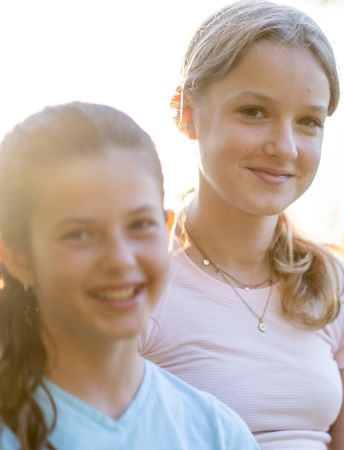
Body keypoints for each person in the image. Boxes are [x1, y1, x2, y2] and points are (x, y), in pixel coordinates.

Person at [139, 2, 344, 449]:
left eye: (309, 121)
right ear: (187, 113)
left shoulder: (339, 288)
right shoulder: (136, 279)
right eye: (254, 111)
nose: (285, 147)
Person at [0, 102, 258, 450]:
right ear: (16, 257)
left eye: (139, 225)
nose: (120, 260)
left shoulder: (217, 433)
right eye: (79, 234)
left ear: (167, 230)